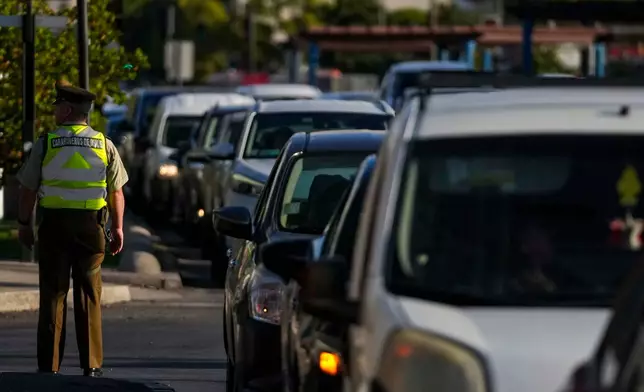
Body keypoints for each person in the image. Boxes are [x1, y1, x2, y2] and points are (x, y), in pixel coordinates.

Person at [16, 83, 128, 377]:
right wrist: (117, 228)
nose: (54, 111)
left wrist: (24, 224)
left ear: (67, 110)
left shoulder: (47, 143)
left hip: (55, 227)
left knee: (53, 294)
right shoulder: (105, 144)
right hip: (92, 228)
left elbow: (28, 189)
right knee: (89, 295)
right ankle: (91, 365)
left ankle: (49, 366)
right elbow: (117, 192)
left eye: (57, 106)